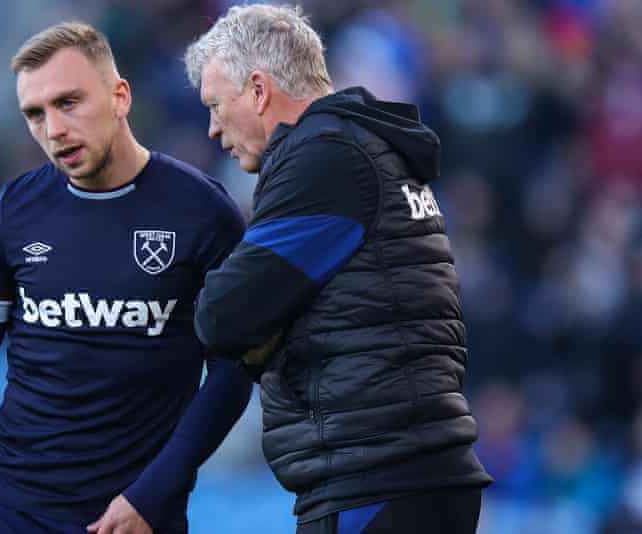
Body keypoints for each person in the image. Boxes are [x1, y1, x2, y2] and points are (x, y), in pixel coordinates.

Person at [0, 22, 252, 534]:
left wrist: (153, 494)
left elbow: (233, 372)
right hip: (11, 515)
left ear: (119, 96)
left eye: (68, 103)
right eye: (34, 114)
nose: (52, 129)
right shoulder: (11, 216)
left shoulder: (203, 214)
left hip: (137, 519)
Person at [185, 5, 493, 534]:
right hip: (409, 470)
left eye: (216, 105)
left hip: (375, 475)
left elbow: (222, 317)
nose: (212, 129)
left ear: (258, 90)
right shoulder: (369, 150)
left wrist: (264, 326)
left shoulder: (325, 158)